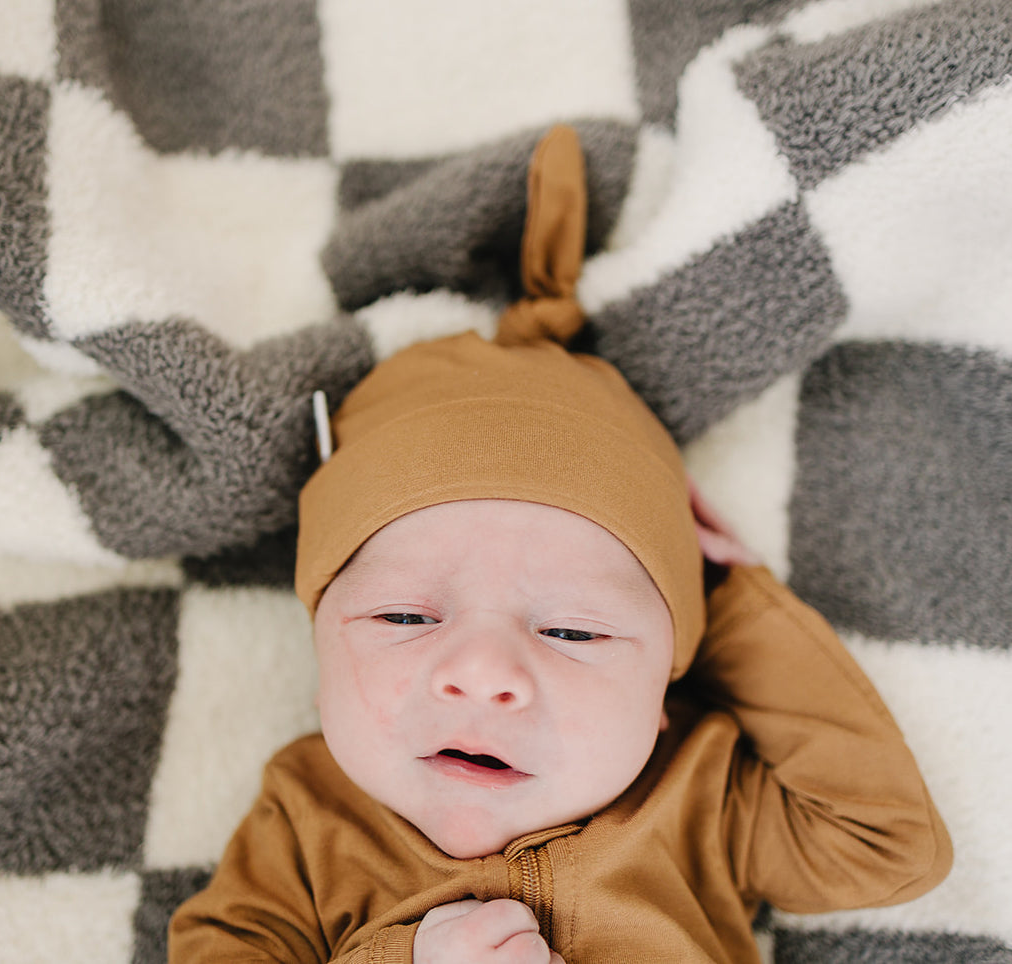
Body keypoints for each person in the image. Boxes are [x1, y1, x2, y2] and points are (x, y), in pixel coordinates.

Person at [167, 126, 951, 963]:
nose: (484, 674)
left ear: (662, 687)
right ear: (319, 646)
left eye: (574, 632)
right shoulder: (308, 815)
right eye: (402, 617)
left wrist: (727, 598)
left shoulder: (696, 792)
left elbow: (887, 847)